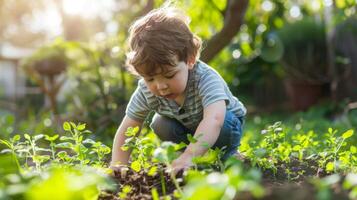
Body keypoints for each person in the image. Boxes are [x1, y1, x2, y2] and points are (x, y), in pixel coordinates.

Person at [110, 6, 246, 174]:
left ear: (189, 59)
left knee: (224, 124)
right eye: (150, 78)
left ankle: (229, 156)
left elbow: (215, 120)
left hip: (224, 124)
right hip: (190, 128)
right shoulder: (146, 90)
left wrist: (191, 155)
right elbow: (128, 127)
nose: (160, 86)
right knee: (160, 123)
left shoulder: (205, 79)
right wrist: (117, 164)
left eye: (169, 75)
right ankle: (184, 162)